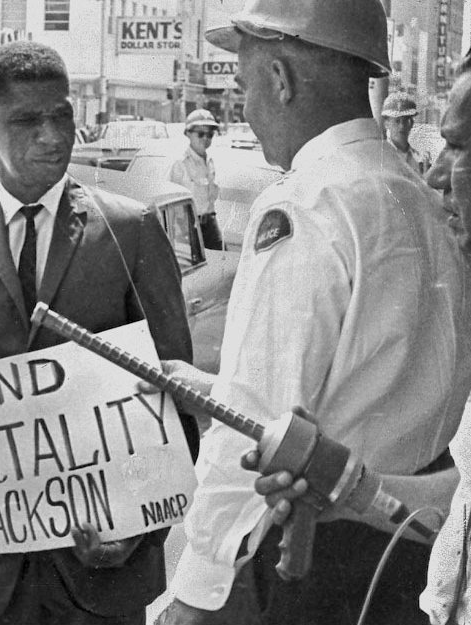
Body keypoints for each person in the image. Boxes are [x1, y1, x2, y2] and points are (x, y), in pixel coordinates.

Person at [155, 0, 471, 624]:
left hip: (315, 556)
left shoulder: (306, 204)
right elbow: (373, 379)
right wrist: (211, 389)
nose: (244, 109)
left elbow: (253, 418)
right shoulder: (419, 194)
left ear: (280, 79)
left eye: (244, 87)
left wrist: (194, 593)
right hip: (421, 544)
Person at [0, 40, 198, 625]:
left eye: (62, 116)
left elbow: (177, 401)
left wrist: (138, 529)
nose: (52, 136)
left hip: (102, 580)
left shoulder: (130, 231)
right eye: (27, 121)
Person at [169, 109, 223, 250]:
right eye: (200, 134)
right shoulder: (180, 163)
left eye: (210, 135)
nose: (205, 139)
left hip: (210, 223)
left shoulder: (210, 161)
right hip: (188, 227)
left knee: (222, 258)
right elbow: (170, 202)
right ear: (188, 133)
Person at [381, 91, 431, 175]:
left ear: (411, 123)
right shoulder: (381, 157)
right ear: (386, 124)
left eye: (406, 120)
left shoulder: (420, 159)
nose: (402, 126)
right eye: (397, 121)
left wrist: (426, 172)